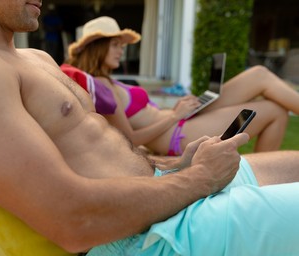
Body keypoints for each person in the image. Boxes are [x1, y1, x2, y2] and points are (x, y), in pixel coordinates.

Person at [0, 0, 299, 256]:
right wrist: (200, 178)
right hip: (143, 244)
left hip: (163, 198)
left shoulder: (35, 59)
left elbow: (103, 154)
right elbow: (72, 220)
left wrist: (174, 164)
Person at [66, 16, 299, 156]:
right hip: (178, 134)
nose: (121, 50)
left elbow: (145, 115)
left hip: (180, 121)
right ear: (97, 48)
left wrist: (177, 110)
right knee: (274, 110)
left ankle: (259, 176)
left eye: (121, 45)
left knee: (258, 74)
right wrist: (173, 116)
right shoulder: (99, 86)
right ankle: (260, 176)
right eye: (115, 45)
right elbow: (130, 140)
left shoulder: (109, 81)